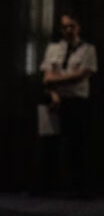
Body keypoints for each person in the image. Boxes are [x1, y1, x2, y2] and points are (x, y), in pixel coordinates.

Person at [40, 13, 98, 196]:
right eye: (64, 27)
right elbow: (46, 78)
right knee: (52, 144)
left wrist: (56, 79)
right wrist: (54, 93)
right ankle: (52, 186)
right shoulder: (53, 48)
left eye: (71, 26)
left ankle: (79, 188)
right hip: (57, 101)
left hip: (78, 102)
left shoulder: (88, 50)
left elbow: (80, 76)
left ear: (78, 27)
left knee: (78, 145)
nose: (68, 30)